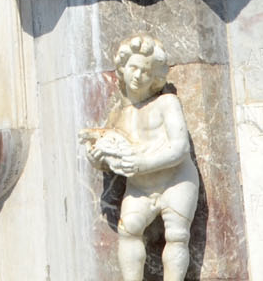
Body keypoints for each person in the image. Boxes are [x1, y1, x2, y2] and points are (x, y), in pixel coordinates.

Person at [81, 35, 200, 281]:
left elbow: (180, 148)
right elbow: (111, 156)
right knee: (129, 230)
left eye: (145, 72)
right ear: (123, 70)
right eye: (133, 68)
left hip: (176, 179)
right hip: (141, 185)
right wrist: (97, 157)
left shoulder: (167, 103)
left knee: (177, 235)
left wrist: (143, 163)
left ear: (155, 77)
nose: (137, 76)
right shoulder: (119, 115)